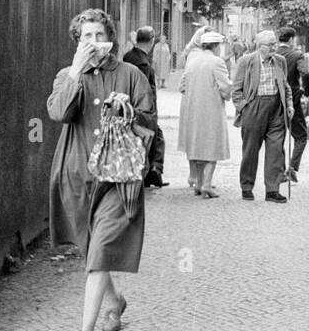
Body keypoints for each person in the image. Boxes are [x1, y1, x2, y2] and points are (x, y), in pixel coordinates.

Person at [47, 8, 154, 331]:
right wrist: (76, 71)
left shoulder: (131, 75)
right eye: (85, 37)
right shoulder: (68, 75)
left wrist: (130, 115)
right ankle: (115, 301)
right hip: (76, 175)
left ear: (111, 37)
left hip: (118, 180)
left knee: (102, 248)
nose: (93, 43)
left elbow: (150, 125)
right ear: (78, 42)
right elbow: (59, 113)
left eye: (98, 35)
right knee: (91, 252)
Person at [232, 30, 292, 202]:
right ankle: (247, 186)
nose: (274, 47)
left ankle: (272, 190)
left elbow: (286, 86)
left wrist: (289, 105)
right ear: (260, 46)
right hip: (254, 107)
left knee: (276, 151)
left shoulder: (280, 61)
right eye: (270, 45)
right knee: (250, 150)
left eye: (275, 43)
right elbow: (236, 90)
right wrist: (245, 107)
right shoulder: (246, 61)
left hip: (276, 109)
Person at [178, 30, 232, 197]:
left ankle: (199, 183)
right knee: (211, 147)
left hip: (193, 110)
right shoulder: (217, 62)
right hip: (211, 109)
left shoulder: (192, 61)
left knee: (197, 146)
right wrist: (226, 95)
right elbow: (225, 86)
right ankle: (207, 185)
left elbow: (182, 86)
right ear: (216, 46)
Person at [122, 26, 168, 188]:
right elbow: (145, 90)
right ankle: (152, 172)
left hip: (130, 106)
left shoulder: (128, 56)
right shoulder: (143, 62)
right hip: (143, 109)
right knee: (154, 138)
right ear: (152, 40)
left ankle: (152, 172)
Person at [274, 27, 309, 181]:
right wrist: (306, 91)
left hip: (273, 99)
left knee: (277, 136)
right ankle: (292, 167)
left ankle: (278, 170)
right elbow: (305, 74)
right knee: (301, 135)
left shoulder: (272, 53)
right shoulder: (297, 55)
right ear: (291, 39)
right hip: (293, 99)